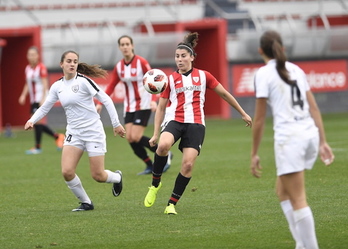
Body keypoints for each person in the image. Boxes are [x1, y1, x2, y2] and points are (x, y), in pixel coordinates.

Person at [143, 32, 253, 215]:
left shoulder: (204, 76)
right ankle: (155, 184)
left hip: (196, 124)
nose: (179, 60)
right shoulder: (168, 80)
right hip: (174, 120)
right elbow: (161, 108)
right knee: (162, 145)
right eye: (177, 56)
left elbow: (224, 93)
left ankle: (171, 204)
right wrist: (155, 133)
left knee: (187, 165)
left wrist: (243, 113)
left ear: (192, 57)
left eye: (183, 56)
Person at [250, 30, 335, 249]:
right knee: (282, 191)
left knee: (298, 199)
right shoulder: (296, 69)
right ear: (282, 48)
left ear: (260, 51)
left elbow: (259, 120)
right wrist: (323, 141)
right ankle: (301, 243)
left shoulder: (263, 73)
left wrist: (254, 153)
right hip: (308, 135)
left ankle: (310, 247)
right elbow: (313, 107)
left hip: (291, 139)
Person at [24, 50, 126, 211]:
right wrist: (32, 120)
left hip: (93, 132)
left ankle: (117, 177)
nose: (72, 64)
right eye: (69, 61)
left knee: (98, 176)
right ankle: (86, 202)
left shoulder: (84, 81)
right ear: (61, 64)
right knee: (67, 171)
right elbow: (45, 107)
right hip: (74, 133)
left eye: (75, 61)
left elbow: (106, 99)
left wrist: (116, 124)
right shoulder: (57, 86)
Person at [96, 35, 172, 175]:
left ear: (132, 45)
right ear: (119, 47)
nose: (125, 47)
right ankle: (149, 164)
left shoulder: (141, 63)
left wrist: (153, 100)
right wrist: (100, 102)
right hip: (129, 106)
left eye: (127, 44)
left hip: (143, 104)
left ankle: (164, 152)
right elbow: (112, 85)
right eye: (122, 44)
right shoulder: (119, 66)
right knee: (129, 138)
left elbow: (155, 80)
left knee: (136, 137)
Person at [19, 46, 65, 154]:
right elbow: (27, 84)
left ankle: (38, 147)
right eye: (29, 55)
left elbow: (45, 83)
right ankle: (57, 136)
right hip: (32, 99)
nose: (31, 57)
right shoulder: (27, 68)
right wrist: (23, 95)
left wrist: (44, 97)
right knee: (35, 122)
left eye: (33, 55)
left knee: (36, 121)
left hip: (39, 98)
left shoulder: (41, 67)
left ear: (38, 56)